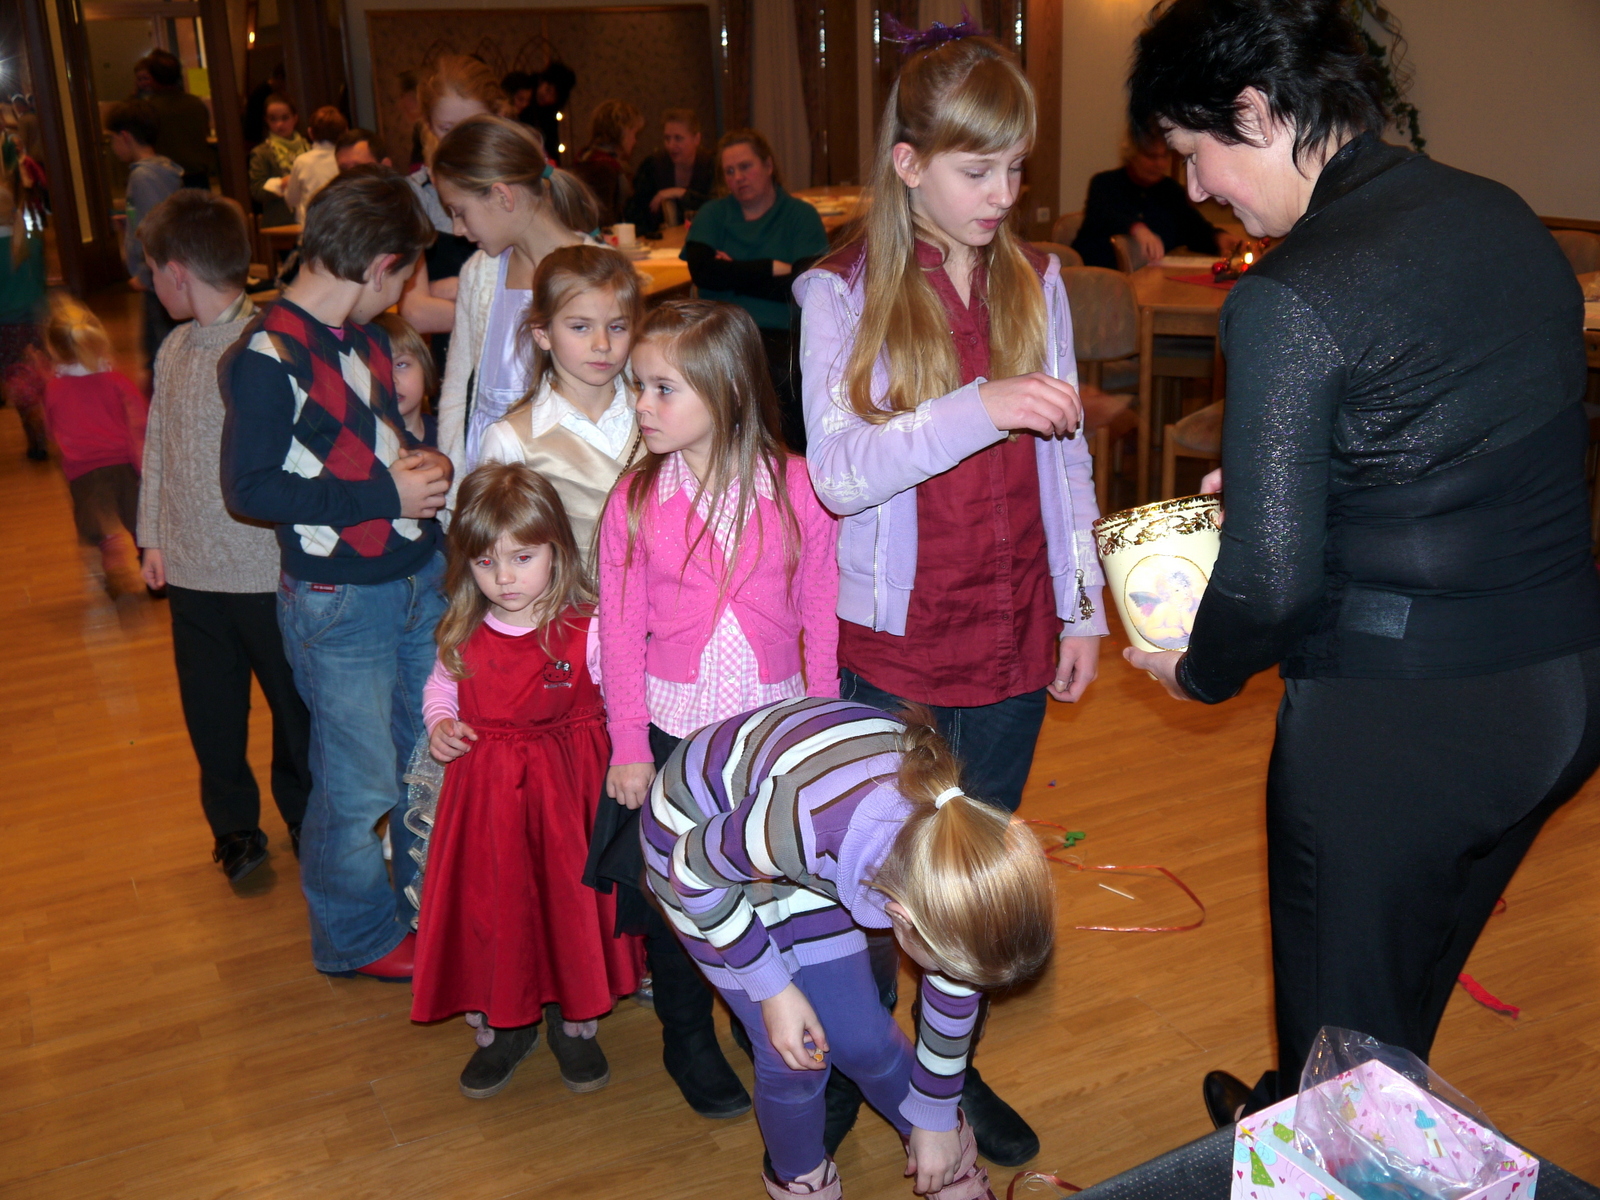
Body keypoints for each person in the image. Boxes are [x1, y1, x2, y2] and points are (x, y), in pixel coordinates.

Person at [1123, 0, 1600, 1126]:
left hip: (1408, 726)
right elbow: (1470, 443)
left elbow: (1268, 586)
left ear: (1253, 110)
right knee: (1395, 992)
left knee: (1343, 1050)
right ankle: (1312, 1104)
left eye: (1193, 152)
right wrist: (1299, 481)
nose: (1196, 188)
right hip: (1564, 690)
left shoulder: (1291, 292)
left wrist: (1198, 671)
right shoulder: (1495, 212)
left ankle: (1323, 1136)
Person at [793, 31, 1104, 1168]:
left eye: (1016, 168)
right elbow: (838, 473)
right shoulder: (838, 291)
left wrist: (1082, 604)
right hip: (900, 646)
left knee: (966, 884)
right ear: (909, 163)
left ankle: (944, 1079)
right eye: (978, 170)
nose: (1003, 195)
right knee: (877, 882)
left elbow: (1067, 458)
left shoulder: (1037, 278)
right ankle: (857, 1061)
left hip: (1015, 632)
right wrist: (982, 405)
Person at [640, 696, 1055, 1199]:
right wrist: (772, 988)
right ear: (898, 916)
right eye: (949, 972)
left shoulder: (940, 857)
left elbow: (954, 995)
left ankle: (947, 1162)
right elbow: (691, 870)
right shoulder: (805, 824)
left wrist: (936, 1115)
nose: (955, 984)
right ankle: (802, 1181)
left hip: (794, 834)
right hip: (695, 848)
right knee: (792, 1058)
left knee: (862, 1038)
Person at [596, 299, 839, 1122]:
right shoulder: (636, 500)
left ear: (726, 388)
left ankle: (756, 1005)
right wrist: (630, 744)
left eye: (663, 388)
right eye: (638, 386)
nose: (641, 404)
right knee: (677, 896)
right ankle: (685, 1034)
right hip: (674, 735)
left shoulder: (798, 486)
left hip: (769, 733)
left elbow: (820, 611)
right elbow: (620, 630)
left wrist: (823, 726)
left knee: (763, 881)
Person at [220, 167, 450, 984]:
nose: (401, 295)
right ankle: (354, 936)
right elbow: (250, 490)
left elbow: (370, 440)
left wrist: (419, 464)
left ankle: (427, 911)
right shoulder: (265, 355)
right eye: (403, 277)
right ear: (381, 265)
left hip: (416, 575)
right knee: (359, 786)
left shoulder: (364, 340)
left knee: (427, 760)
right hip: (339, 597)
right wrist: (388, 492)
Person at [413, 460, 642, 1097]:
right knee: (498, 904)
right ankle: (506, 1021)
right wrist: (440, 724)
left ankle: (574, 1016)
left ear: (556, 550)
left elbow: (625, 696)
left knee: (568, 903)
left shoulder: (589, 627)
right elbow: (441, 689)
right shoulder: (463, 628)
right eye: (486, 562)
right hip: (487, 801)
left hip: (571, 798)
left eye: (522, 558)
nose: (505, 578)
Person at [135, 190, 312, 883]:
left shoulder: (266, 346)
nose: (149, 282)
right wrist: (153, 534)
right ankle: (234, 827)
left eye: (152, 270)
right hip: (190, 572)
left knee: (292, 706)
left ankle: (304, 812)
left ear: (177, 273)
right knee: (211, 710)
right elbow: (158, 447)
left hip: (264, 570)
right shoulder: (175, 348)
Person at [429, 114, 600, 487]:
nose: (457, 229)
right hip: (491, 486)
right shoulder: (479, 273)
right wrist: (455, 487)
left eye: (459, 212)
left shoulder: (599, 272)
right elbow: (457, 389)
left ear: (502, 196)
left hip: (567, 483)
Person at [479, 244, 644, 559]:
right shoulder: (512, 440)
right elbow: (496, 553)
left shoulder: (657, 416)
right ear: (542, 333)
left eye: (617, 327)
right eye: (580, 327)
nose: (602, 344)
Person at [682, 130, 829, 452]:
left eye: (746, 166)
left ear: (768, 165)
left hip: (782, 333)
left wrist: (731, 272)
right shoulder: (712, 214)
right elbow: (704, 273)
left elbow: (804, 285)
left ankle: (799, 462)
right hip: (720, 332)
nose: (738, 177)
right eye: (729, 171)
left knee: (793, 379)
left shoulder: (800, 215)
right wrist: (773, 268)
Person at [398, 56, 508, 367]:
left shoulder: (519, 188)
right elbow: (417, 313)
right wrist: (502, 305)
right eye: (447, 129)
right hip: (453, 364)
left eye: (472, 126)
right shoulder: (417, 195)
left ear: (498, 117)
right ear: (428, 125)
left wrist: (442, 289)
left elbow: (538, 294)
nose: (460, 141)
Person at [41, 298, 148, 597]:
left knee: (101, 525)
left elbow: (51, 430)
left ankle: (112, 558)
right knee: (138, 522)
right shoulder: (115, 380)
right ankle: (152, 571)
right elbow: (140, 417)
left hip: (83, 471)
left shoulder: (54, 388)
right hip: (124, 465)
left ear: (54, 349)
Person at [1072, 129, 1237, 269]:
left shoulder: (1171, 190)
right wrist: (1137, 229)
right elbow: (1105, 215)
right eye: (1151, 157)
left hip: (1153, 278)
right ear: (1132, 155)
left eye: (1164, 156)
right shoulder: (1104, 184)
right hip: (1100, 278)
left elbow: (1194, 229)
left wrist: (1218, 239)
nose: (1160, 163)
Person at [107, 100, 183, 368]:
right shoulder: (160, 170)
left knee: (159, 354)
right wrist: (129, 222)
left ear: (125, 137)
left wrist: (144, 273)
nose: (112, 146)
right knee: (156, 349)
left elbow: (157, 228)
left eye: (112, 139)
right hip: (159, 276)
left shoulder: (143, 177)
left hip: (156, 277)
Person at [0, 174, 48, 460]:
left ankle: (34, 437)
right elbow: (41, 284)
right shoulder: (32, 244)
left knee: (15, 380)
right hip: (33, 320)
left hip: (4, 325)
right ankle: (43, 426)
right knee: (32, 375)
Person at [626, 107, 715, 237]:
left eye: (678, 138)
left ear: (696, 139)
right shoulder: (652, 166)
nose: (671, 145)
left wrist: (680, 193)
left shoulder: (711, 165)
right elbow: (635, 214)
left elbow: (718, 206)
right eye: (667, 138)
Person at [132, 50, 212, 189]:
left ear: (153, 78)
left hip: (164, 178)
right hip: (198, 176)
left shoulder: (148, 109)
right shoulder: (196, 103)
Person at [572, 99, 642, 229]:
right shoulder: (604, 168)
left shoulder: (589, 159)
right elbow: (602, 221)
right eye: (634, 134)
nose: (635, 141)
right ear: (622, 133)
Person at [375, 312, 438, 446]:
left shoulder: (453, 436)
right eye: (375, 369)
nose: (392, 380)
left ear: (424, 367)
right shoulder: (358, 447)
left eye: (400, 364)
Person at [248, 94, 308, 228]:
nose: (279, 124)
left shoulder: (308, 148)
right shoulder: (262, 152)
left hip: (311, 219)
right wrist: (281, 183)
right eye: (273, 119)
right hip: (280, 223)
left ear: (295, 118)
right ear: (266, 121)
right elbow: (257, 191)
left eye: (285, 118)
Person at [284, 106, 348, 224]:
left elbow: (292, 199)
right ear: (345, 132)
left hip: (312, 227)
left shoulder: (302, 161)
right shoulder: (347, 159)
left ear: (310, 133)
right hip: (343, 223)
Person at [519, 61, 576, 166]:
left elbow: (551, 145)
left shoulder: (549, 114)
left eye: (553, 96)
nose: (546, 97)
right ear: (541, 81)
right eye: (548, 90)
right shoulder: (524, 95)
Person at [243, 63, 287, 147]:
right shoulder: (263, 92)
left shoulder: (264, 90)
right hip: (255, 137)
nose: (284, 86)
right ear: (280, 78)